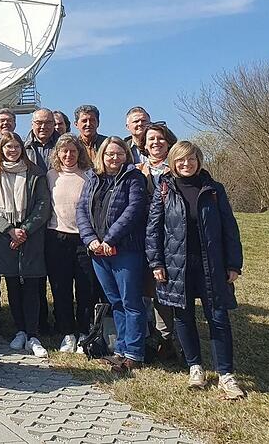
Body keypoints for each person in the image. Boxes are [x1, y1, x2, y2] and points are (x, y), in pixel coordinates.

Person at [146, 141, 245, 399]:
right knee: (183, 317)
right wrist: (156, 263)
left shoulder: (213, 189)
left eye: (191, 159)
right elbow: (153, 230)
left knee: (218, 318)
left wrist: (233, 264)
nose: (186, 164)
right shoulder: (164, 189)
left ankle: (225, 374)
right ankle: (195, 367)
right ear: (173, 162)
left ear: (199, 161)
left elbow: (229, 228)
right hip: (177, 265)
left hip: (211, 264)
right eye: (180, 160)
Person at [76, 136, 148, 373]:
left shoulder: (133, 178)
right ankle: (121, 349)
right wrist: (91, 240)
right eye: (109, 154)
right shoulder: (92, 178)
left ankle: (134, 354)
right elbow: (81, 210)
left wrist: (110, 239)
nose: (114, 158)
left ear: (126, 155)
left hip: (125, 250)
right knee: (115, 301)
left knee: (131, 302)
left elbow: (133, 210)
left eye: (119, 153)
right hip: (98, 251)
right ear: (102, 155)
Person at [0, 132, 51, 357]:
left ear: (22, 148)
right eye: (8, 147)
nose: (12, 150)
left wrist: (24, 231)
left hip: (31, 237)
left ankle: (33, 334)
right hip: (4, 237)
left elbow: (43, 205)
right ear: (1, 149)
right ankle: (20, 330)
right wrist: (9, 230)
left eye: (16, 146)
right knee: (11, 283)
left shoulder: (35, 173)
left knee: (32, 285)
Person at [45, 134, 98, 354]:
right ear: (57, 154)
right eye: (64, 151)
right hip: (57, 237)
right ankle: (67, 332)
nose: (68, 155)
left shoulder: (89, 175)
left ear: (79, 153)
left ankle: (84, 332)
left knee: (86, 288)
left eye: (73, 151)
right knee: (61, 287)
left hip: (84, 239)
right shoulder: (50, 175)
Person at [136, 123, 180, 360]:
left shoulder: (177, 169)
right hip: (140, 236)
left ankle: (168, 340)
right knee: (144, 287)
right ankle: (145, 336)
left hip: (171, 237)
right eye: (151, 139)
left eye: (160, 138)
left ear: (169, 142)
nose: (156, 142)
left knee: (165, 288)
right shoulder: (137, 169)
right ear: (143, 144)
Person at [25, 108, 59, 334]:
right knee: (35, 274)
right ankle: (39, 321)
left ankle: (63, 319)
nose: (43, 126)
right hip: (33, 218)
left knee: (58, 274)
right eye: (39, 122)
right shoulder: (23, 147)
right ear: (32, 123)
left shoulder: (63, 144)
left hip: (58, 217)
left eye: (47, 122)